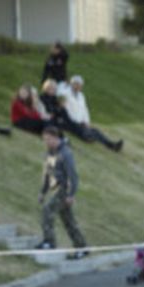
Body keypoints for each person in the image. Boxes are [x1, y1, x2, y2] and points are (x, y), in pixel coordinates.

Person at [36, 126, 88, 259]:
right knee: (68, 220)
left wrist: (71, 195)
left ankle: (49, 241)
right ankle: (82, 247)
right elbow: (47, 174)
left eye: (48, 139)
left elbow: (73, 176)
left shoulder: (66, 153)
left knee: (47, 211)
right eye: (44, 139)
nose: (46, 142)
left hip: (64, 190)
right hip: (56, 189)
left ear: (55, 138)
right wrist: (43, 192)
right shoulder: (49, 153)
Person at [38, 80, 122, 151]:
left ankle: (110, 144)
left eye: (54, 89)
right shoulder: (43, 98)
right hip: (56, 122)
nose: (53, 91)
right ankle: (88, 137)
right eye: (51, 89)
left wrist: (62, 109)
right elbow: (50, 111)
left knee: (94, 130)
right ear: (46, 88)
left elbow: (64, 112)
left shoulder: (56, 99)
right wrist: (59, 109)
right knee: (77, 128)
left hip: (65, 120)